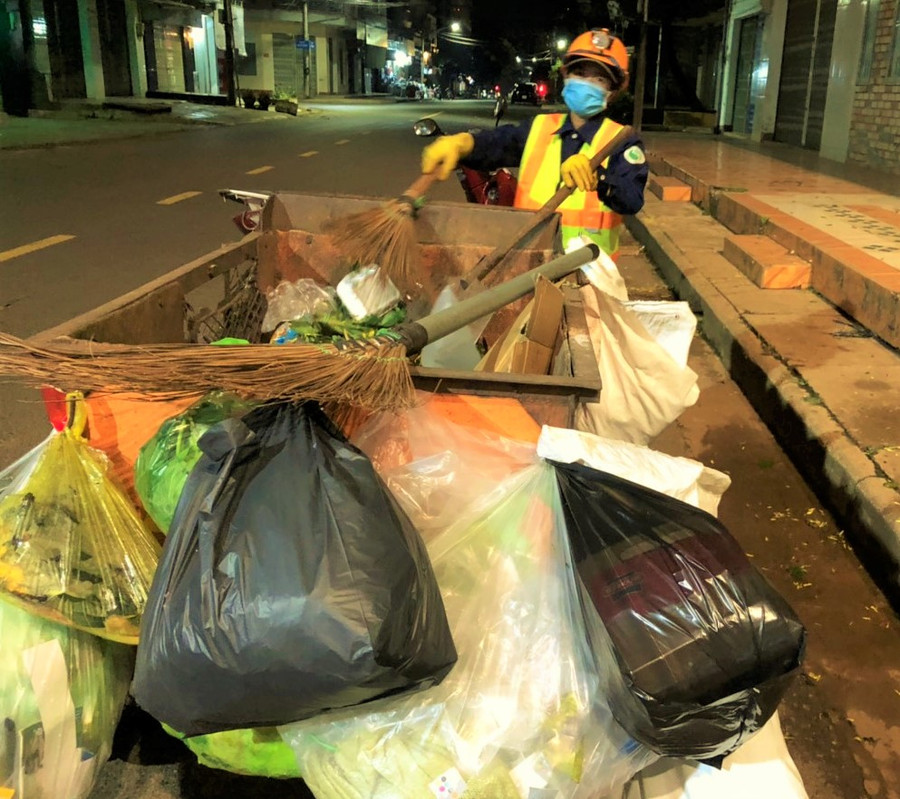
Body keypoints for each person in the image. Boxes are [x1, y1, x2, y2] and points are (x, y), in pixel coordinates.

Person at [421, 28, 647, 261]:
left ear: (614, 90)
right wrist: (464, 143)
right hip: (526, 268)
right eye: (580, 73)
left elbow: (632, 198)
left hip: (590, 275)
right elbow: (499, 143)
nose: (587, 83)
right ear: (566, 75)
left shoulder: (622, 140)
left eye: (599, 78)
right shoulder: (539, 127)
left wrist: (598, 177)